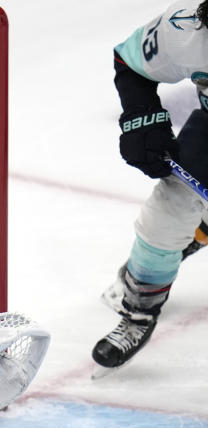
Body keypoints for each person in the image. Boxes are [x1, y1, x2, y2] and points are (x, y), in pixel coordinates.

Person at [92, 1, 208, 370]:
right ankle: (139, 312)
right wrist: (142, 118)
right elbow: (131, 62)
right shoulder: (189, 29)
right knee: (167, 215)